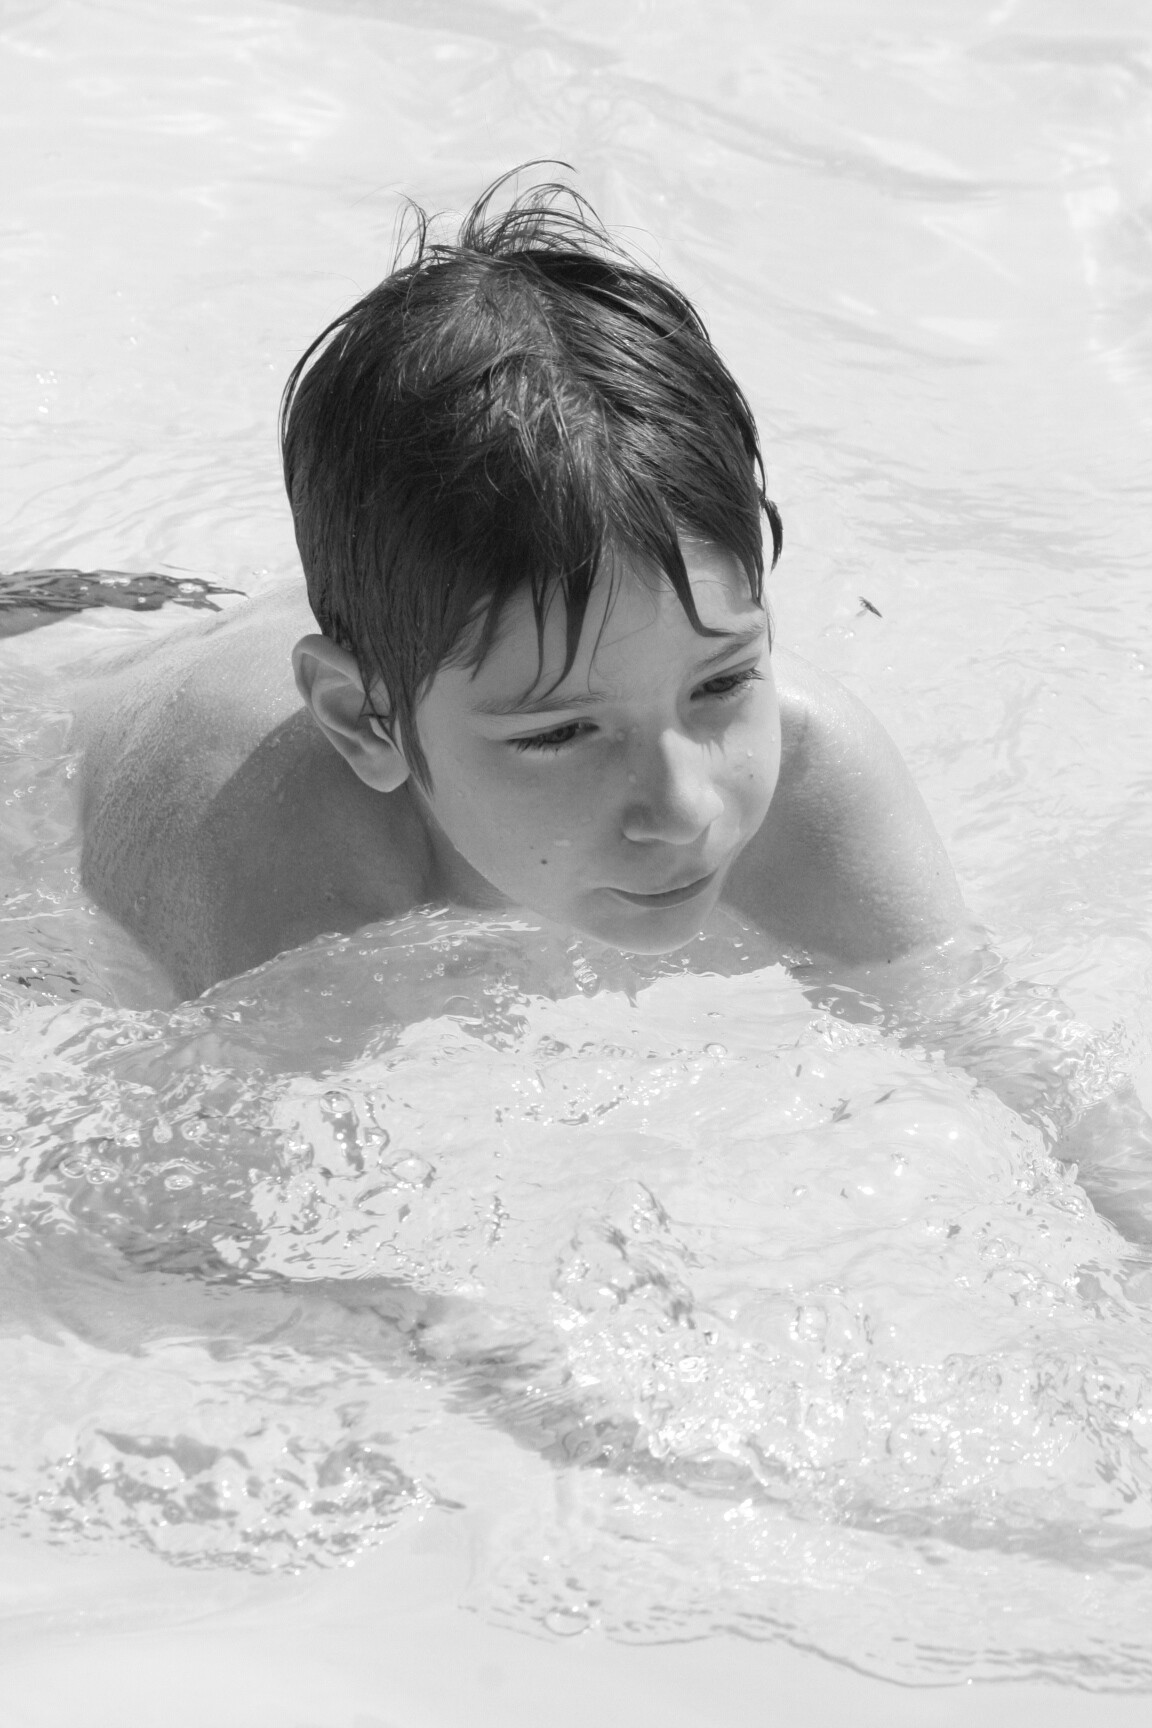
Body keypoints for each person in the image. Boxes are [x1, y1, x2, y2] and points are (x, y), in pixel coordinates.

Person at [76, 173, 1152, 1237]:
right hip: (63, 702)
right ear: (367, 723)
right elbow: (192, 1245)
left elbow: (1001, 1046)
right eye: (561, 734)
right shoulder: (275, 875)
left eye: (721, 680)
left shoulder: (805, 768)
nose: (685, 806)